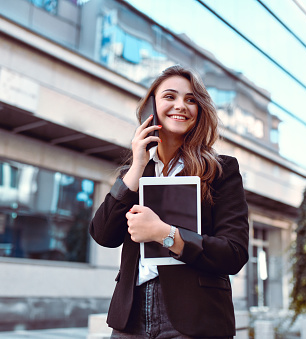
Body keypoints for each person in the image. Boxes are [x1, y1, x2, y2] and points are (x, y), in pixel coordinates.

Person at [89, 65, 249, 338]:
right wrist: (137, 165)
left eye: (191, 100)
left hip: (194, 316)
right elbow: (103, 234)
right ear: (150, 106)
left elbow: (234, 253)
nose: (181, 106)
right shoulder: (136, 174)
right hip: (131, 318)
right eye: (170, 96)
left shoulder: (221, 170)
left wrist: (164, 233)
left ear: (200, 111)